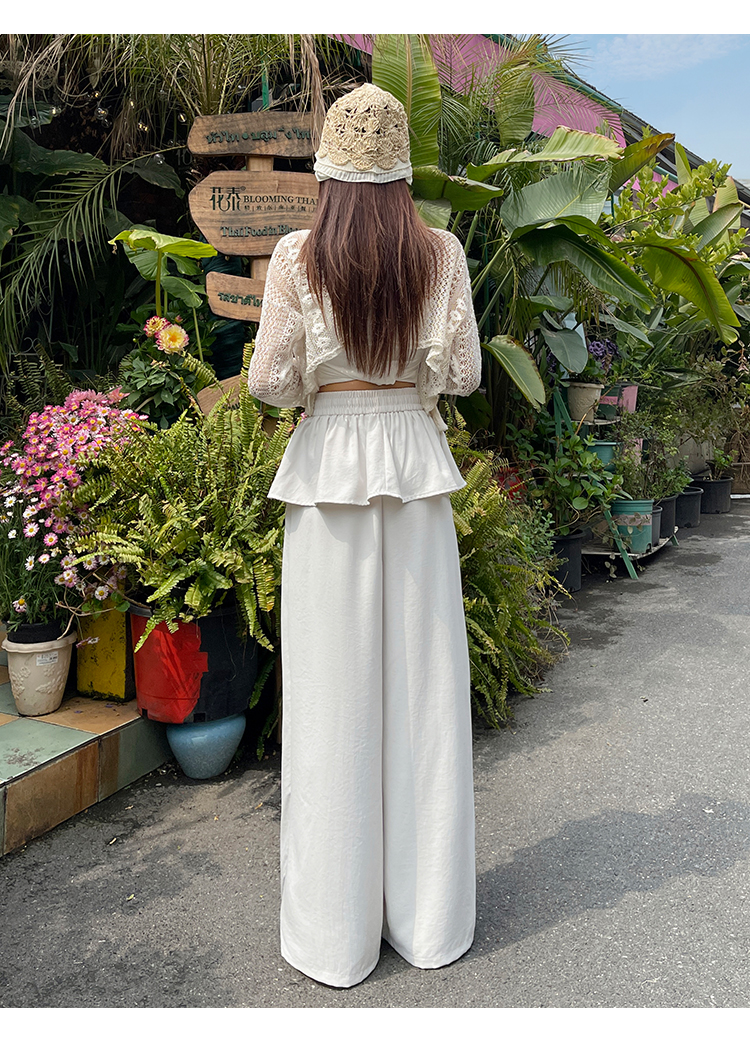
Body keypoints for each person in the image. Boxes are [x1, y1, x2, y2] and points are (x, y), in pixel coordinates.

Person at [247, 83, 482, 989]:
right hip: (414, 465)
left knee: (331, 702)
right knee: (423, 696)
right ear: (403, 167)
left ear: (329, 169)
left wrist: (324, 378)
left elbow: (271, 381)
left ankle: (336, 935)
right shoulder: (441, 252)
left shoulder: (298, 254)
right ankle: (428, 921)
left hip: (328, 469)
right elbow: (463, 372)